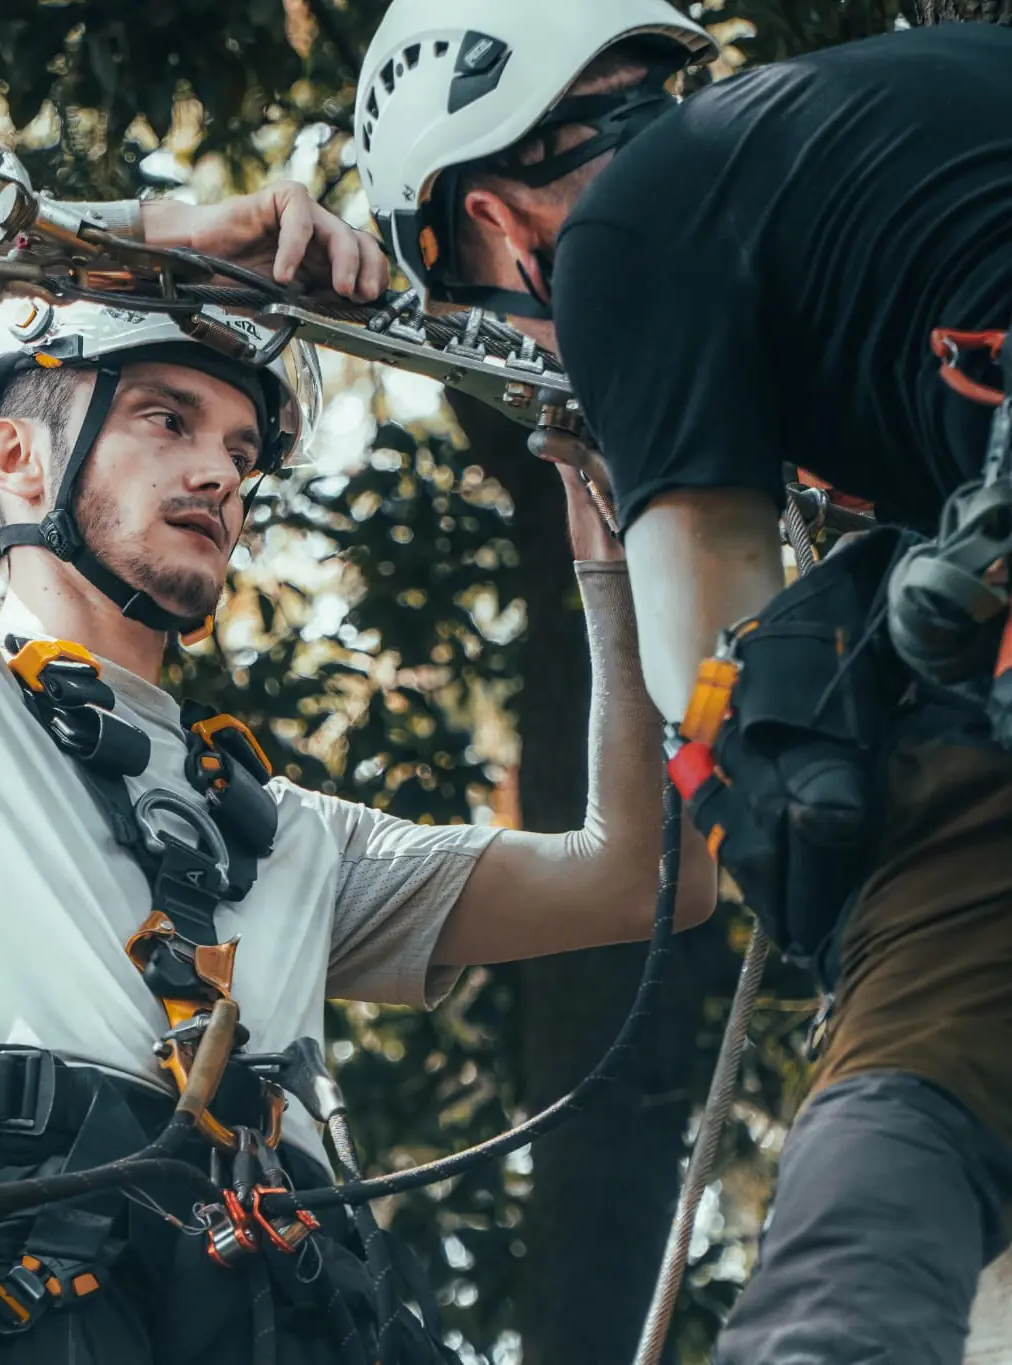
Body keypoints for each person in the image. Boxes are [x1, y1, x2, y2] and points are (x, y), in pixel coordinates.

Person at [0, 174, 716, 1365]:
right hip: (15, 1296)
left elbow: (641, 877)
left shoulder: (293, 840)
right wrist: (148, 236)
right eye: (164, 419)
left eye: (241, 451)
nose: (219, 476)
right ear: (16, 460)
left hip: (269, 1315)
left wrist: (614, 557)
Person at [354, 2, 1012, 1360]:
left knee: (920, 1010)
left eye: (494, 313)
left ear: (494, 221)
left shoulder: (619, 228)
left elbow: (715, 653)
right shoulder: (859, 142)